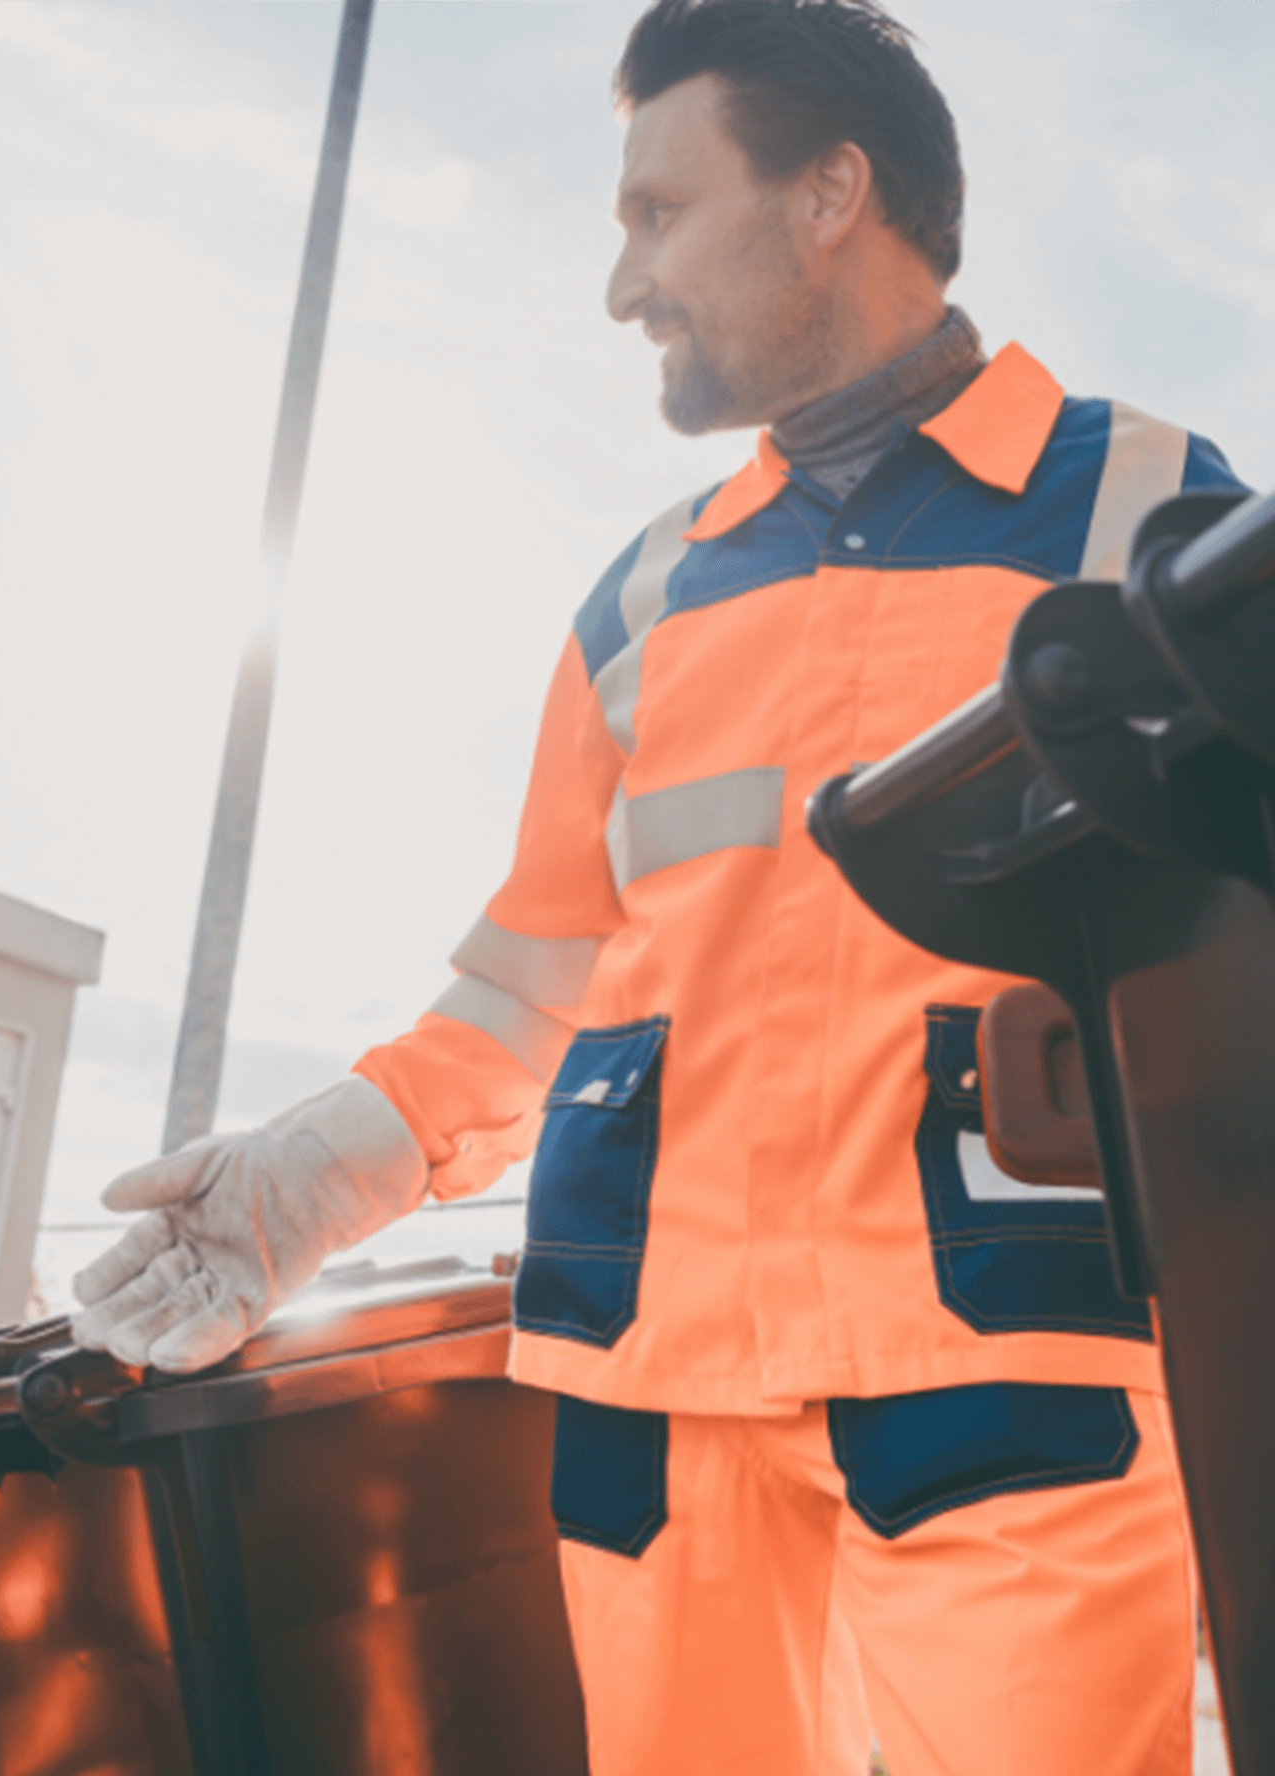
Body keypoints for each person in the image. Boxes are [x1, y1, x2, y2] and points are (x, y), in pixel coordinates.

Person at [71, 2, 1245, 1770]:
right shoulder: (643, 598)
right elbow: (528, 988)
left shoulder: (1145, 514)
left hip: (1012, 1370)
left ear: (830, 192)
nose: (624, 283)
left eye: (657, 213)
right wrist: (322, 1174)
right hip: (653, 1398)